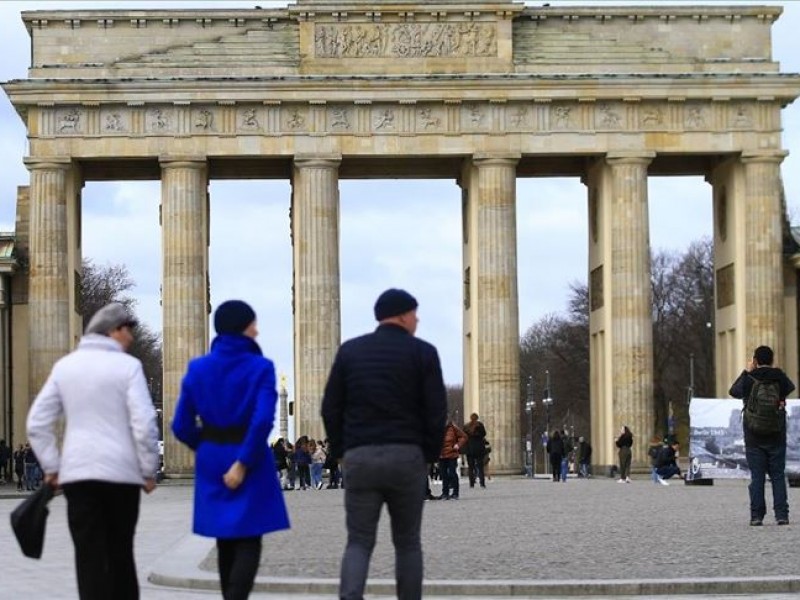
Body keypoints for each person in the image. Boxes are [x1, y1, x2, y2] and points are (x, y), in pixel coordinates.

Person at [26, 302, 160, 599]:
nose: (132, 338)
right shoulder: (128, 367)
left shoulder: (65, 367)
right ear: (114, 331)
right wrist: (149, 470)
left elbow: (37, 423)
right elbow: (144, 422)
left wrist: (52, 467)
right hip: (121, 476)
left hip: (78, 475)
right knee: (121, 553)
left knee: (88, 557)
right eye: (129, 330)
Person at [321, 288, 447, 600]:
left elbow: (330, 407)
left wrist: (340, 452)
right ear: (403, 315)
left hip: (361, 457)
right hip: (407, 457)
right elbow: (436, 411)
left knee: (359, 541)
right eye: (415, 313)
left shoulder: (350, 352)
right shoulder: (424, 352)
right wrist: (429, 456)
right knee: (407, 542)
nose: (417, 319)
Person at [172, 299, 290, 599]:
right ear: (242, 327)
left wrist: (207, 446)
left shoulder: (198, 368)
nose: (257, 329)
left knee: (224, 538)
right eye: (253, 324)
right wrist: (243, 460)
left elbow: (180, 425)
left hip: (212, 455)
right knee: (249, 537)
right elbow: (263, 419)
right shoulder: (260, 367)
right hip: (248, 454)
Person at [729, 345, 795, 526]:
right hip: (776, 433)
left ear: (755, 360)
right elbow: (791, 387)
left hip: (753, 435)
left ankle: (756, 516)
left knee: (757, 477)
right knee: (777, 476)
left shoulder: (750, 378)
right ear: (772, 359)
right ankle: (782, 515)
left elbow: (733, 392)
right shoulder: (779, 376)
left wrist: (746, 371)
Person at [438, 418, 467, 500]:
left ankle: (455, 493)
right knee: (443, 475)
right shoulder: (437, 428)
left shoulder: (453, 428)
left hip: (452, 454)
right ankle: (445, 493)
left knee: (452, 473)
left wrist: (458, 445)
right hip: (441, 455)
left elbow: (464, 436)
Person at [463, 412, 487, 488]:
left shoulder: (466, 426)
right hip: (479, 448)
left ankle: (471, 483)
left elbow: (463, 436)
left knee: (471, 467)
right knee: (480, 467)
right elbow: (484, 434)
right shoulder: (480, 425)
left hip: (469, 449)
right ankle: (482, 483)